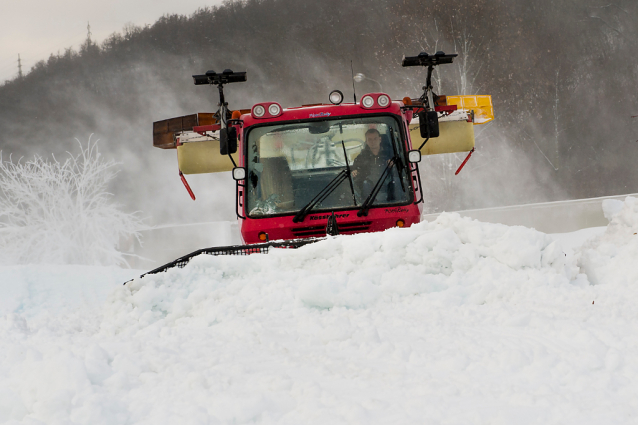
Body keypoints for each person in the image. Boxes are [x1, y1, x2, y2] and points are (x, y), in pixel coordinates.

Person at [351, 128, 395, 201]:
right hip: (369, 192)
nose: (373, 142)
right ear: (366, 141)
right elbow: (355, 169)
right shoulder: (362, 157)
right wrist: (355, 171)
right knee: (365, 184)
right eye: (370, 139)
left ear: (380, 139)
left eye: (375, 139)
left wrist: (393, 166)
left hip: (388, 188)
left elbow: (400, 171)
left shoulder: (390, 154)